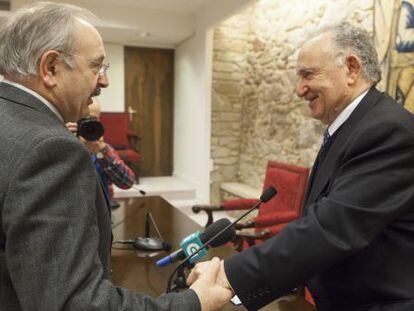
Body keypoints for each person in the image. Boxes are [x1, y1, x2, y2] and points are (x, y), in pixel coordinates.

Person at [0, 2, 231, 310]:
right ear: (51, 68)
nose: (104, 81)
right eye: (97, 67)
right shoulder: (51, 150)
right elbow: (75, 303)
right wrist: (194, 302)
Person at [189, 22, 414, 311]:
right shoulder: (354, 126)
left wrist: (227, 277)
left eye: (308, 75)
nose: (299, 90)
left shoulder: (388, 132)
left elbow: (330, 228)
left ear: (351, 69)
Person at [66, 98, 136, 208]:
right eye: (83, 120)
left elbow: (127, 182)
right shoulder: (63, 146)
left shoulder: (103, 149)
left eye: (93, 120)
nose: (88, 125)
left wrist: (102, 152)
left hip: (100, 214)